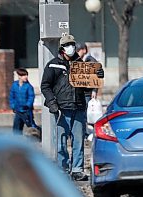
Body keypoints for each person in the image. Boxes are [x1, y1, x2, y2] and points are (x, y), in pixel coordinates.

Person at [40, 34, 104, 181]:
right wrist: (52, 102)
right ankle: (62, 169)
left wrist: (98, 75)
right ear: (62, 48)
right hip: (61, 108)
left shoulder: (81, 65)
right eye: (68, 45)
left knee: (78, 140)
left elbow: (89, 84)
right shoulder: (53, 65)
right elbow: (45, 86)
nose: (71, 47)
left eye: (73, 44)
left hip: (79, 106)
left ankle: (77, 169)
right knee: (61, 141)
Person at [9, 68, 38, 134]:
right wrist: (13, 106)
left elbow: (31, 97)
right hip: (18, 110)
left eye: (26, 75)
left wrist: (28, 105)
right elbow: (11, 96)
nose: (26, 77)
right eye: (24, 75)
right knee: (16, 127)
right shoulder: (14, 85)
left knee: (31, 124)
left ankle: (38, 134)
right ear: (19, 76)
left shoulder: (29, 86)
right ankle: (17, 140)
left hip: (26, 110)